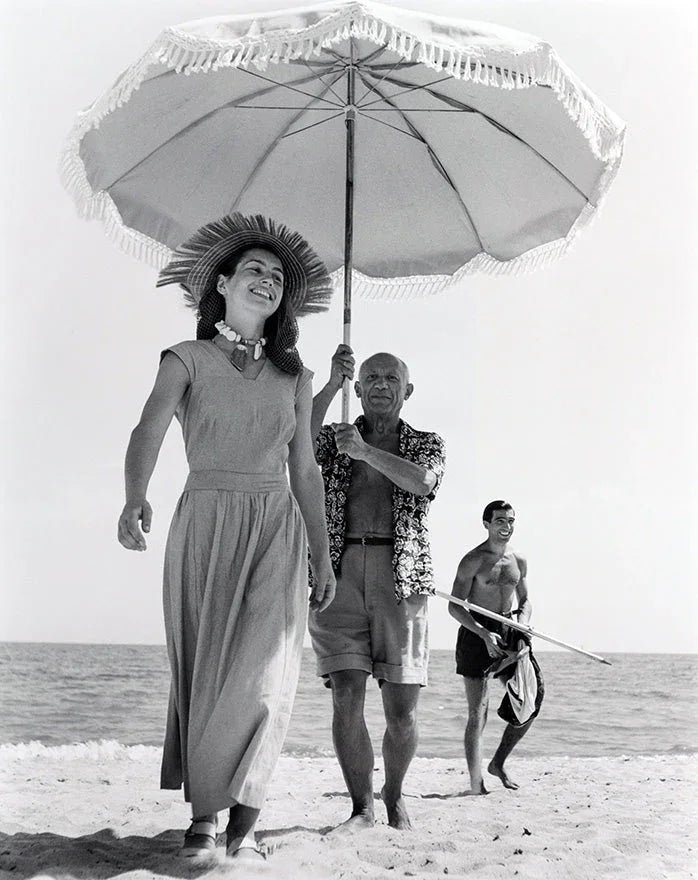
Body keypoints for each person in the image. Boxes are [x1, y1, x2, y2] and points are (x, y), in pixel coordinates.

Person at [117, 213, 336, 861]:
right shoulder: (185, 358)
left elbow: (304, 469)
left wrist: (322, 555)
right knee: (211, 668)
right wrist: (135, 495)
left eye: (276, 276)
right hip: (206, 519)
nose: (266, 280)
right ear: (223, 283)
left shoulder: (298, 378)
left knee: (264, 673)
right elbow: (148, 429)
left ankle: (247, 804)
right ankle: (207, 812)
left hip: (276, 526)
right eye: (255, 270)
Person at [308, 345, 445, 831]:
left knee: (401, 708)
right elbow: (295, 441)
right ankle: (361, 807)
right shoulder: (336, 437)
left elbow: (424, 483)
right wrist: (329, 385)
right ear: (359, 388)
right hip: (339, 569)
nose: (381, 385)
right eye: (370, 378)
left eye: (391, 378)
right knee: (346, 693)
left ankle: (395, 794)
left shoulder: (426, 441)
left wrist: (365, 452)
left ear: (407, 390)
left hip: (401, 575)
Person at [449, 500, 543, 795]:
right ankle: (477, 783)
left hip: (510, 628)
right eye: (500, 521)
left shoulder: (519, 560)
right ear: (487, 524)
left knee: (531, 701)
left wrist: (523, 623)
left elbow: (525, 600)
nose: (506, 527)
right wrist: (482, 633)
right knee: (479, 711)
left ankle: (498, 762)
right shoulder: (473, 560)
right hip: (476, 632)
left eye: (511, 521)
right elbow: (455, 607)